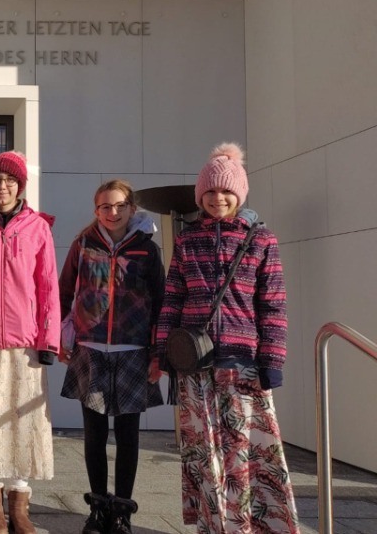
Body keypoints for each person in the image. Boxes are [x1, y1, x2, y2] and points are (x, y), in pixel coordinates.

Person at [156, 143, 299, 533]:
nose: (218, 199)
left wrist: (273, 359)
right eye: (210, 193)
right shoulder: (187, 241)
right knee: (204, 454)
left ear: (239, 194)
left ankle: (248, 526)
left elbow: (273, 304)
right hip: (195, 365)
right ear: (200, 196)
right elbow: (172, 298)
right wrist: (163, 349)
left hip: (243, 365)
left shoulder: (261, 240)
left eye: (226, 192)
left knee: (243, 453)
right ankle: (211, 524)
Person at [58, 179, 165, 534]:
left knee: (128, 434)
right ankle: (98, 507)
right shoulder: (83, 244)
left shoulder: (147, 250)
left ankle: (122, 512)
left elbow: (161, 302)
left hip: (133, 351)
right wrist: (60, 336)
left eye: (119, 205)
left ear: (132, 208)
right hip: (90, 351)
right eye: (105, 206)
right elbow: (63, 292)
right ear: (96, 210)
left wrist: (157, 354)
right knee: (94, 434)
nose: (113, 212)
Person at [0, 151, 58, 534]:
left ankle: (19, 505)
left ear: (21, 186)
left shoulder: (37, 227)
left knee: (23, 421)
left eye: (10, 181)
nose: (2, 187)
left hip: (25, 344)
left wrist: (49, 340)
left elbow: (48, 286)